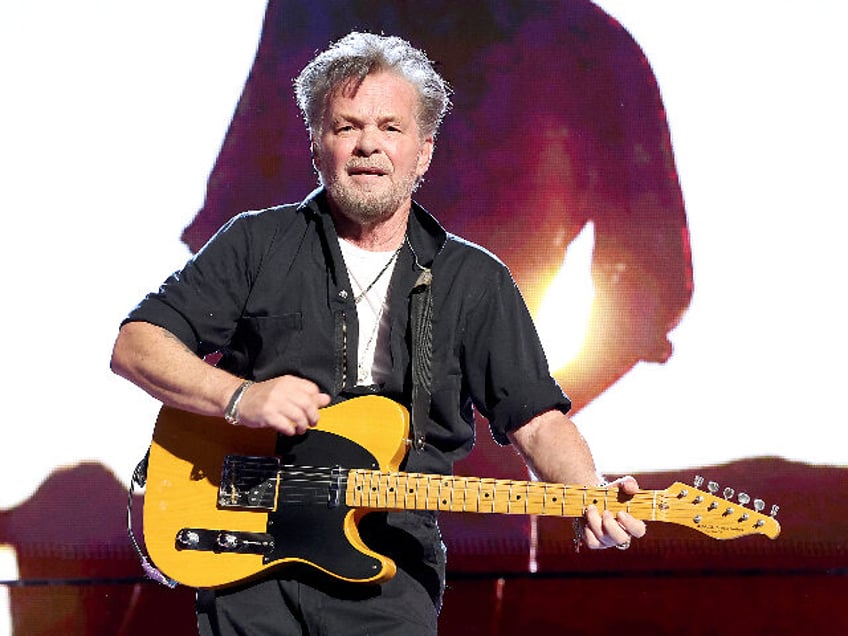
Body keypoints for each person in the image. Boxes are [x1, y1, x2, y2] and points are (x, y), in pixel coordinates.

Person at [111, 31, 646, 635]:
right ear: (318, 144)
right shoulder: (255, 243)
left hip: (391, 565)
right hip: (248, 555)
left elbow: (538, 420)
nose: (368, 144)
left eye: (391, 127)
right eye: (346, 127)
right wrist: (241, 397)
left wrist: (586, 494)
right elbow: (136, 344)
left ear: (424, 152)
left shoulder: (474, 280)